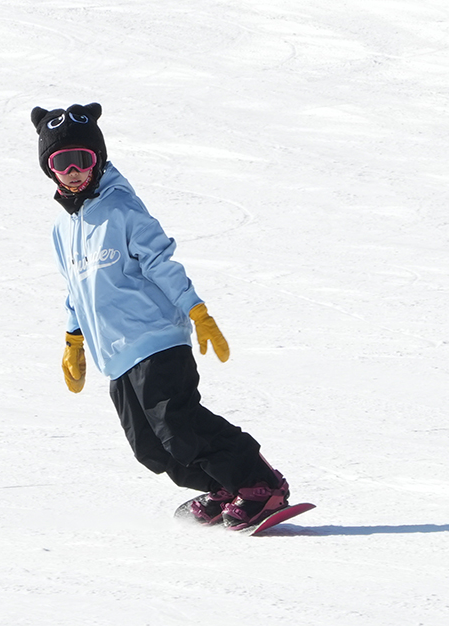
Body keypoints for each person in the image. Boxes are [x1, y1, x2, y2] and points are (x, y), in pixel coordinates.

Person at [30, 102, 289, 530]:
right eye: (62, 161)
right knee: (149, 447)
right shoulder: (62, 230)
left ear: (98, 160)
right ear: (49, 169)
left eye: (83, 159)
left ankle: (259, 483)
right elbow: (74, 289)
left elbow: (161, 263)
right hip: (115, 355)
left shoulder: (124, 210)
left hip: (156, 339)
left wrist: (196, 310)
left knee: (178, 424)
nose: (73, 170)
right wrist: (73, 341)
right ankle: (222, 486)